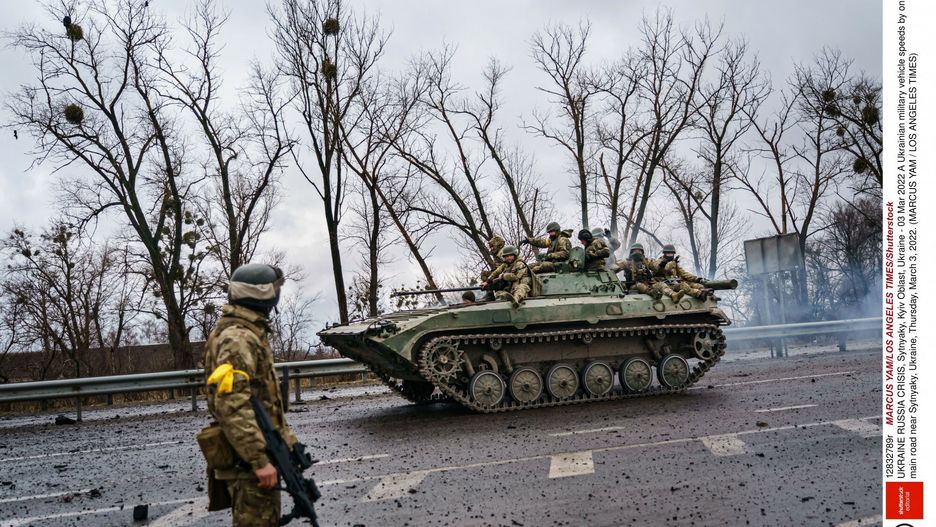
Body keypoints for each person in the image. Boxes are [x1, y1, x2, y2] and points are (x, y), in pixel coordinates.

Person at [203, 263, 298, 527]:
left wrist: (286, 446)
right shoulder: (238, 338)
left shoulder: (246, 332)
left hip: (259, 450)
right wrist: (258, 460)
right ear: (265, 294)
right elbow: (232, 405)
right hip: (249, 461)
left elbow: (261, 401)